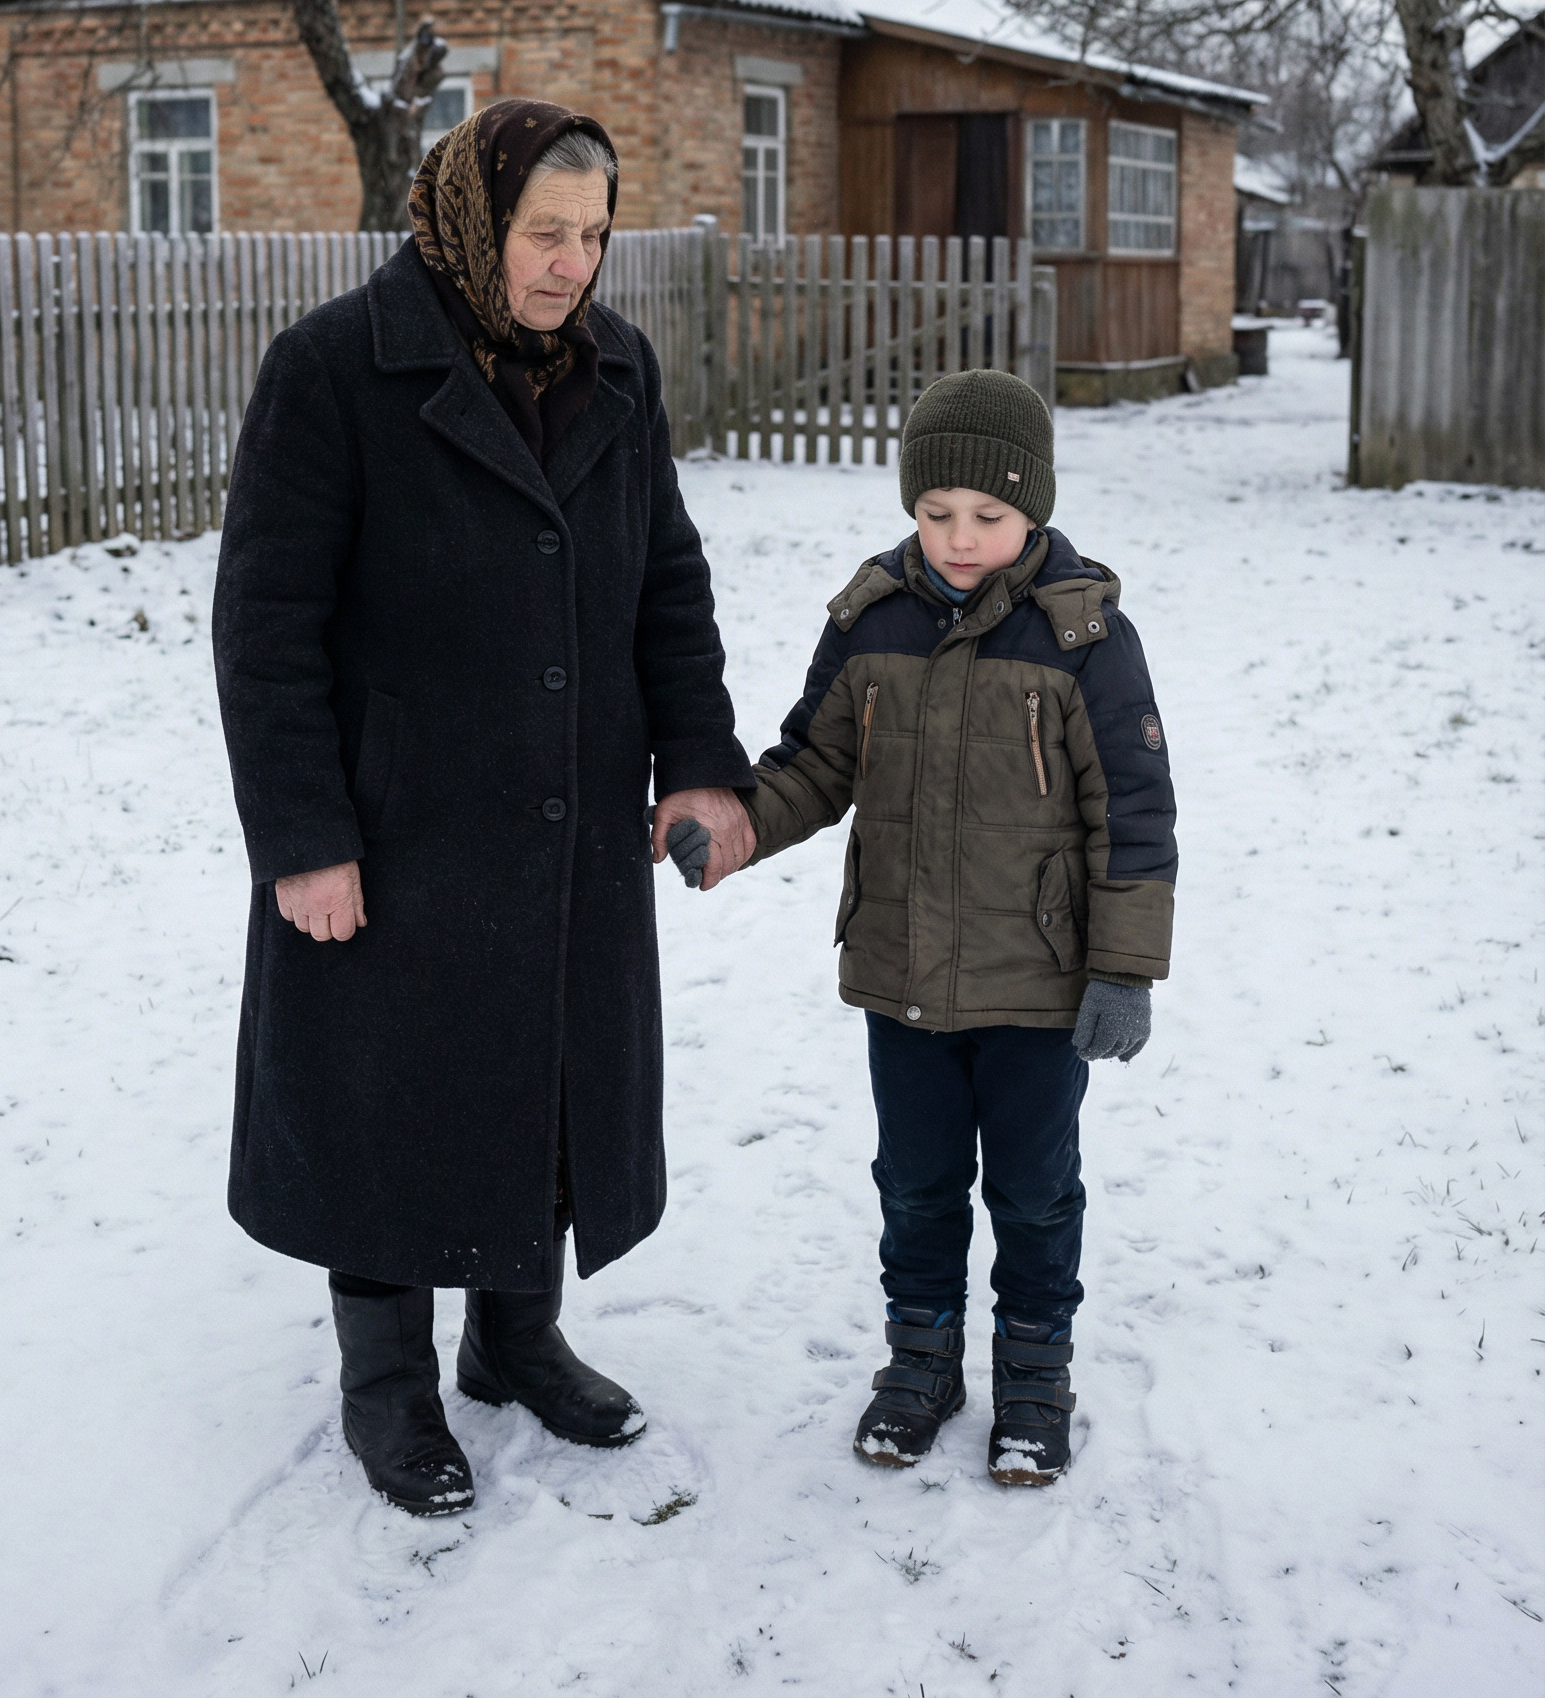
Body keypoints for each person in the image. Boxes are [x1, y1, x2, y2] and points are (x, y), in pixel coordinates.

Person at [211, 101, 755, 1517]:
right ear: (471, 221)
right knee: (384, 1103)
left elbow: (665, 583)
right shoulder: (334, 368)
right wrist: (307, 839)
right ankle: (385, 1387)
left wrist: (697, 756)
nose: (573, 265)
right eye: (544, 234)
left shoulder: (617, 368)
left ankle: (516, 1343)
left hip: (569, 812)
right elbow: (266, 626)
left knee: (549, 1083)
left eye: (593, 235)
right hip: (399, 824)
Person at [719, 368, 1176, 1486]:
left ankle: (1034, 1372)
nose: (958, 540)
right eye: (934, 515)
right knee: (915, 1182)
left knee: (1030, 1188)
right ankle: (919, 1361)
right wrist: (737, 826)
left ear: (1035, 511)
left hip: (1039, 980)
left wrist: (1123, 967)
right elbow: (816, 761)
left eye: (988, 517)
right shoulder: (873, 616)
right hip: (902, 969)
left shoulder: (1083, 637)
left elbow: (1133, 810)